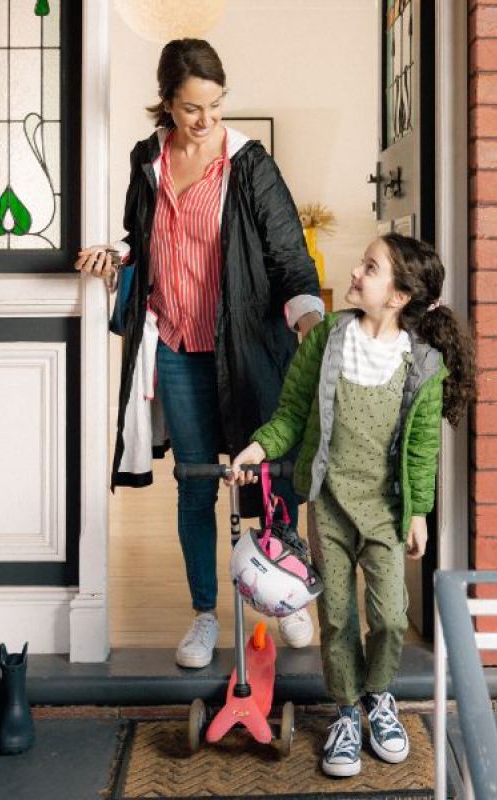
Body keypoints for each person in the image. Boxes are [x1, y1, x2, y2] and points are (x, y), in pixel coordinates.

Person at [74, 39, 324, 670]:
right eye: (192, 108)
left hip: (245, 348)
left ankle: (285, 591)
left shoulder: (249, 164)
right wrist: (117, 256)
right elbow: (142, 240)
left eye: (216, 105)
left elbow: (290, 257)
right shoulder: (147, 161)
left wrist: (310, 319)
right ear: (167, 103)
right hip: (179, 349)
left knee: (265, 478)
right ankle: (205, 615)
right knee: (192, 485)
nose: (207, 119)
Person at [230, 233, 475, 777]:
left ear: (399, 296)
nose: (356, 273)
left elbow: (421, 450)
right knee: (337, 618)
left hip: (387, 511)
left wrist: (418, 514)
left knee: (389, 618)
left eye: (371, 267)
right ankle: (345, 711)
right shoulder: (327, 341)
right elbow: (293, 411)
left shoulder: (423, 365)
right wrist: (258, 445)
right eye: (362, 263)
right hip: (331, 506)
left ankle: (379, 697)